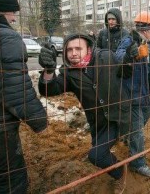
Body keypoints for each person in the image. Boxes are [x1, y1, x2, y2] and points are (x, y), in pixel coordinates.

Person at [38, 34, 130, 194]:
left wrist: (130, 58)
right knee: (100, 150)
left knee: (96, 156)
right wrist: (48, 71)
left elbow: (125, 72)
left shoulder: (106, 57)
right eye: (69, 50)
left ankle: (121, 172)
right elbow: (49, 90)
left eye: (78, 49)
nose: (73, 53)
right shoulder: (69, 72)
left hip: (118, 116)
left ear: (89, 48)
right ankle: (110, 151)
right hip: (98, 123)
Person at [0, 0, 47, 193]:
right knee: (12, 180)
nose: (13, 19)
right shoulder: (3, 37)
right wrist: (40, 121)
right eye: (12, 12)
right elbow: (15, 90)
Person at [115, 11, 150, 177]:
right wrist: (134, 53)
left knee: (144, 118)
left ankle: (127, 134)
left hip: (144, 92)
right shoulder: (129, 40)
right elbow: (119, 56)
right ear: (146, 29)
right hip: (130, 92)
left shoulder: (148, 43)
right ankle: (137, 163)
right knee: (137, 130)